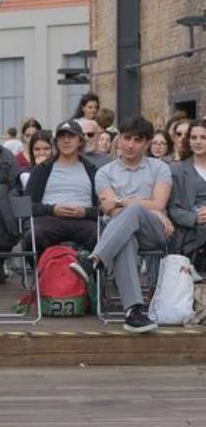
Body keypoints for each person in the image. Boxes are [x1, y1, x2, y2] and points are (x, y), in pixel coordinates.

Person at [71, 116, 173, 333]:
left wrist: (121, 199)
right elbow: (115, 212)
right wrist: (148, 207)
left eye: (137, 140)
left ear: (146, 143)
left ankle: (95, 260)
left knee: (133, 211)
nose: (130, 144)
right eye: (126, 138)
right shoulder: (104, 173)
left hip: (154, 230)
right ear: (119, 140)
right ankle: (133, 313)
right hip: (121, 234)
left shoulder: (160, 168)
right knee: (125, 240)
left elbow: (159, 202)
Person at [26, 121, 99, 254]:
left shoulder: (92, 171)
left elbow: (102, 208)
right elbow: (28, 205)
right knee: (33, 236)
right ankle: (44, 271)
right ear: (56, 142)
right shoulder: (41, 170)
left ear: (80, 141)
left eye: (71, 136)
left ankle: (87, 269)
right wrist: (52, 209)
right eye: (61, 137)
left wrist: (85, 212)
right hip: (50, 219)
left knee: (100, 235)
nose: (66, 141)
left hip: (84, 221)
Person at [167, 118, 206, 267]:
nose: (198, 141)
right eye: (193, 137)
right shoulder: (176, 170)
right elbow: (173, 209)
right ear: (188, 141)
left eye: (203, 137)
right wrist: (195, 218)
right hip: (190, 230)